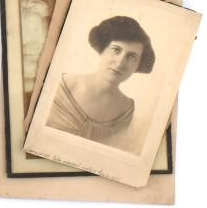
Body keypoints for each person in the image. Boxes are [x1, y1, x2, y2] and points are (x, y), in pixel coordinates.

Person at [46, 16, 155, 145]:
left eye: (132, 56)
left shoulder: (126, 111)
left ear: (138, 66)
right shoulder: (60, 85)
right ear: (102, 49)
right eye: (116, 50)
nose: (120, 63)